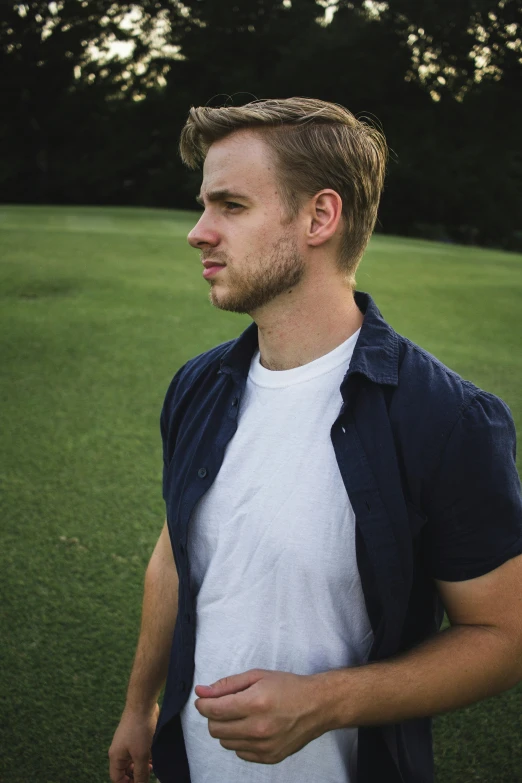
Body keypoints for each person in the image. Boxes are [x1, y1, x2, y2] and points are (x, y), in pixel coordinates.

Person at [108, 97, 522, 783]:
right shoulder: (198, 387)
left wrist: (326, 702)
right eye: (204, 205)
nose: (197, 232)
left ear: (319, 218)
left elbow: (504, 638)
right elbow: (174, 556)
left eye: (230, 206)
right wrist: (138, 704)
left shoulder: (447, 420)